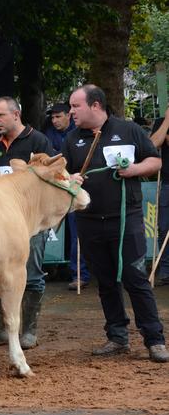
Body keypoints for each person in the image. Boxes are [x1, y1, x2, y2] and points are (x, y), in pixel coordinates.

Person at [64, 84, 168, 363]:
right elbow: (63, 173)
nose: (71, 111)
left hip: (126, 219)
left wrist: (134, 169)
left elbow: (154, 161)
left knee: (135, 278)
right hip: (88, 221)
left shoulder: (129, 129)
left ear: (95, 105)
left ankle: (155, 339)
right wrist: (70, 180)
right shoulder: (72, 138)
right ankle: (117, 337)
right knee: (106, 282)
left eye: (76, 106)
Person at [0, 96, 54, 350]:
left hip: (29, 220)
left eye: (0, 115)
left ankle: (29, 331)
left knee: (32, 273)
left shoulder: (38, 141)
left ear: (16, 114)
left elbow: (50, 177)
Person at [43, 103, 89, 290]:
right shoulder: (48, 134)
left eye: (58, 116)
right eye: (52, 117)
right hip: (57, 189)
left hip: (78, 187)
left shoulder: (78, 133)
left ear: (68, 116)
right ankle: (57, 269)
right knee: (55, 232)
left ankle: (81, 274)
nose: (54, 121)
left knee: (78, 233)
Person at [151, 109, 169, 285]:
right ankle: (165, 271)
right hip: (167, 183)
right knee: (164, 228)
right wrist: (168, 121)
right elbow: (153, 144)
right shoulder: (161, 122)